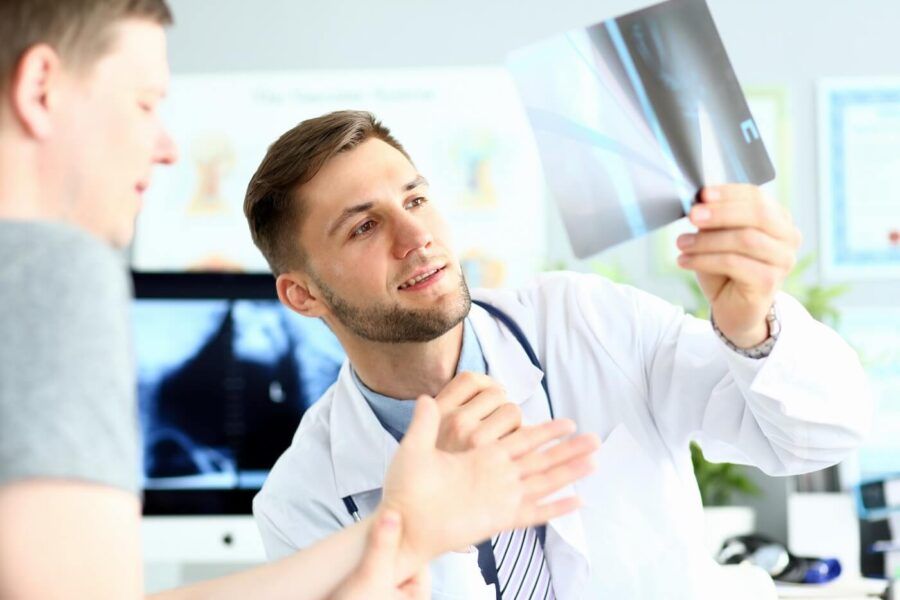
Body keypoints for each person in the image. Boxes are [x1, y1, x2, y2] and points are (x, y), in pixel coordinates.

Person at [0, 2, 600, 599]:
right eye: (145, 105)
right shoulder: (47, 271)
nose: (167, 149)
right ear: (41, 88)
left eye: (415, 201)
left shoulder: (577, 318)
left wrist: (403, 533)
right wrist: (405, 533)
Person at [246, 110, 874, 599]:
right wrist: (436, 526)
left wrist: (751, 327)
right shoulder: (304, 500)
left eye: (414, 200)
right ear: (302, 295)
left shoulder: (584, 321)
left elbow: (817, 440)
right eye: (363, 226)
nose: (417, 238)